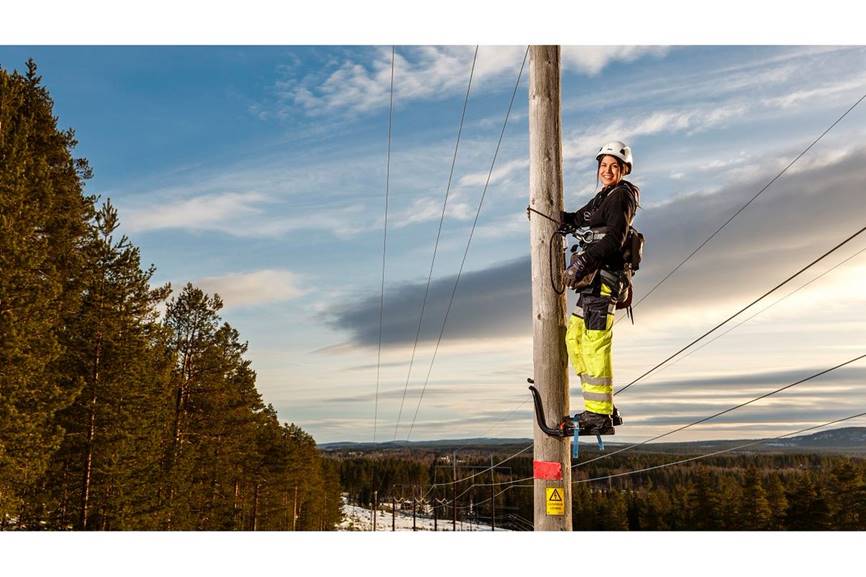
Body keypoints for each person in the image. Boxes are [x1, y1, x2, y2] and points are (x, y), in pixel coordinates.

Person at [560, 141, 639, 433]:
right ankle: (601, 404)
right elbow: (577, 219)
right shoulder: (602, 197)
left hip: (605, 279)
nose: (607, 170)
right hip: (593, 283)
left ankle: (599, 414)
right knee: (575, 336)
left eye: (613, 166)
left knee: (595, 343)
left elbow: (613, 240)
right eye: (603, 166)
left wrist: (582, 263)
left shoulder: (621, 197)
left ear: (623, 170)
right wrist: (548, 214)